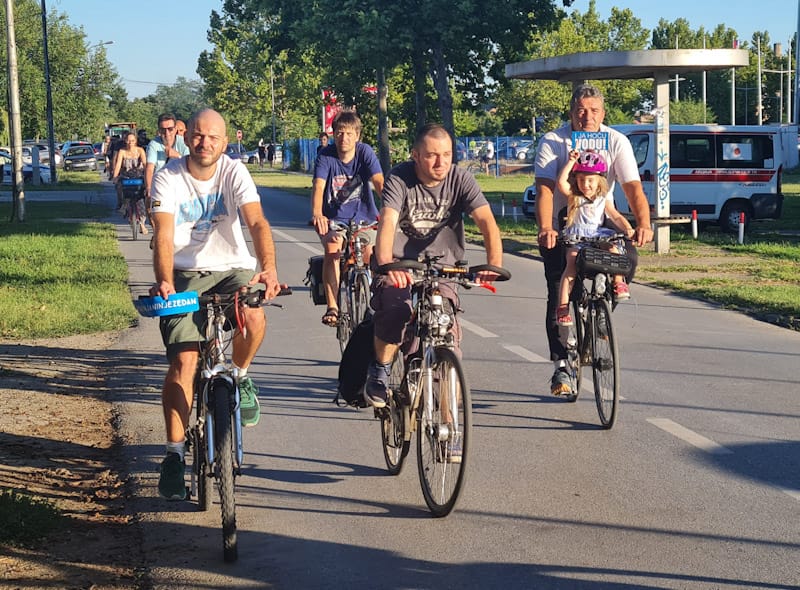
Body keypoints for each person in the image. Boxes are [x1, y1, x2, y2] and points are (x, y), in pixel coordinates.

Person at [149, 108, 283, 500]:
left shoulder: (234, 171)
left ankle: (239, 376)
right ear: (186, 137)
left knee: (254, 317)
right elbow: (162, 233)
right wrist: (165, 281)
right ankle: (174, 454)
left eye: (213, 137)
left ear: (225, 142)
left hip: (232, 269)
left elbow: (256, 222)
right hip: (184, 276)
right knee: (184, 362)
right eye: (197, 135)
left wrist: (268, 270)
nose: (204, 143)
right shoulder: (169, 176)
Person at [364, 123, 503, 412]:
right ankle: (380, 370)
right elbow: (388, 221)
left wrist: (494, 263)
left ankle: (449, 429)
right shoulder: (399, 178)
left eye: (447, 154)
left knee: (447, 335)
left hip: (443, 266)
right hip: (400, 263)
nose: (441, 163)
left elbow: (487, 222)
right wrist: (388, 264)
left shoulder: (461, 179)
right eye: (431, 155)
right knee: (396, 310)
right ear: (415, 155)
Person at [534, 83, 653, 396]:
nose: (587, 117)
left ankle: (602, 310)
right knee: (558, 284)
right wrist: (546, 227)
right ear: (571, 111)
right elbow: (546, 188)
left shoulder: (616, 141)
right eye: (581, 111)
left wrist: (642, 224)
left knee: (628, 257)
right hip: (565, 223)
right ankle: (561, 365)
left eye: (594, 111)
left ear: (604, 113)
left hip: (601, 220)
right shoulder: (554, 140)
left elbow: (632, 188)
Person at [310, 110, 384, 327]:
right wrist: (317, 214)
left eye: (350, 134)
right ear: (334, 134)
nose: (344, 138)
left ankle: (376, 300)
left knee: (371, 254)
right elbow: (319, 186)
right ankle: (333, 306)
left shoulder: (365, 153)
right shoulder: (326, 155)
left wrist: (391, 208)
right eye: (340, 133)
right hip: (334, 219)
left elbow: (379, 182)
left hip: (364, 217)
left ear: (358, 136)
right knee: (333, 248)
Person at [554, 150, 634, 327]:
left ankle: (618, 283)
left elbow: (615, 216)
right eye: (581, 180)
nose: (586, 184)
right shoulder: (574, 197)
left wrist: (628, 229)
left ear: (600, 180)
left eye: (590, 180)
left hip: (597, 234)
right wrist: (570, 162)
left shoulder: (602, 199)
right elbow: (561, 182)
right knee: (572, 262)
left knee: (613, 250)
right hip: (578, 237)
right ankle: (562, 307)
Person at [145, 113, 189, 201]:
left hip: (180, 185)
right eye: (163, 130)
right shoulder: (153, 145)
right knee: (154, 207)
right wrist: (149, 188)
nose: (167, 133)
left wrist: (177, 155)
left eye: (170, 129)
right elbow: (150, 168)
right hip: (160, 185)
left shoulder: (183, 143)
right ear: (159, 130)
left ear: (176, 129)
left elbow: (190, 164)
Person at [111, 131, 147, 233]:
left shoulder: (140, 151)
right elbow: (118, 165)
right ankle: (123, 206)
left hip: (138, 176)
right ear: (125, 141)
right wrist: (115, 177)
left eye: (132, 140)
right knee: (120, 189)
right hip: (126, 176)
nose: (130, 142)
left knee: (140, 199)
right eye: (128, 140)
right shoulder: (122, 151)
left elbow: (145, 164)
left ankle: (142, 224)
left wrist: (148, 175)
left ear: (135, 141)